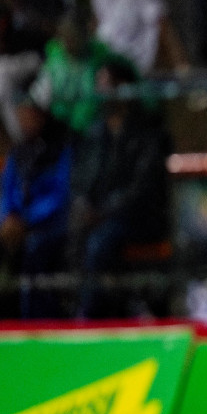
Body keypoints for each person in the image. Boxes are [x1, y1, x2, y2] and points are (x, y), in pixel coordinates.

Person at [67, 59, 171, 319]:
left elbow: (142, 189)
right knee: (67, 236)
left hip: (137, 219)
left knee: (100, 243)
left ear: (124, 88)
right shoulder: (95, 133)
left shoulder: (147, 133)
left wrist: (104, 212)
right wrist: (83, 205)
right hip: (99, 219)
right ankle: (75, 310)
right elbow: (81, 180)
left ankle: (91, 315)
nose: (101, 91)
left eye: (106, 84)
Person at [0, 98, 73, 318]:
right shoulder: (17, 154)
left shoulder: (60, 151)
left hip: (49, 228)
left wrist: (27, 221)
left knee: (34, 250)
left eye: (30, 114)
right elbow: (6, 194)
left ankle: (34, 319)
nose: (25, 120)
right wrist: (8, 218)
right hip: (13, 228)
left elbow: (60, 197)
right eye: (21, 115)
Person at [30, 7, 129, 134]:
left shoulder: (100, 56)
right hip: (62, 126)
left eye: (71, 36)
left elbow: (128, 72)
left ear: (83, 35)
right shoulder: (54, 59)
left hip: (96, 123)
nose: (67, 43)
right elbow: (40, 95)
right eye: (64, 37)